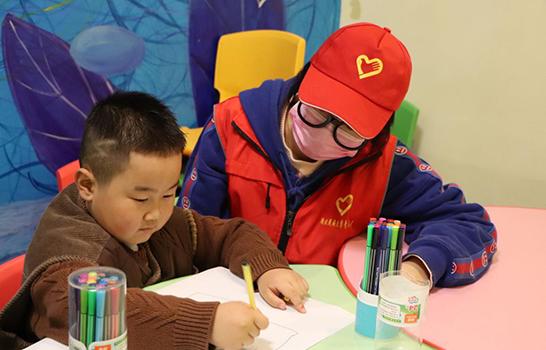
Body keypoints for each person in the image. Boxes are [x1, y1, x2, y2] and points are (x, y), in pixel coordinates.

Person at [0, 91, 308, 350]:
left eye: (169, 194)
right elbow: (98, 310)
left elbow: (231, 233)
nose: (156, 213)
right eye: (141, 198)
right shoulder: (68, 251)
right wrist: (208, 324)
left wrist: (267, 267)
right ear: (87, 186)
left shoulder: (160, 222)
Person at [178, 22, 497, 288]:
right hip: (235, 299)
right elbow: (189, 235)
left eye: (350, 129)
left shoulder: (383, 161)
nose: (327, 134)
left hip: (323, 314)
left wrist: (420, 267)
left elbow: (466, 222)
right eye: (319, 113)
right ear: (303, 81)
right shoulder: (230, 128)